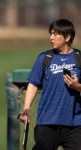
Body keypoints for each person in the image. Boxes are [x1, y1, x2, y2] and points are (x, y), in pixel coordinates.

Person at [19, 19, 81, 150]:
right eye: (50, 34)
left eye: (55, 34)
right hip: (47, 123)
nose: (51, 37)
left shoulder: (79, 58)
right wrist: (26, 109)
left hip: (75, 125)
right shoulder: (44, 58)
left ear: (67, 37)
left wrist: (77, 87)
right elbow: (33, 84)